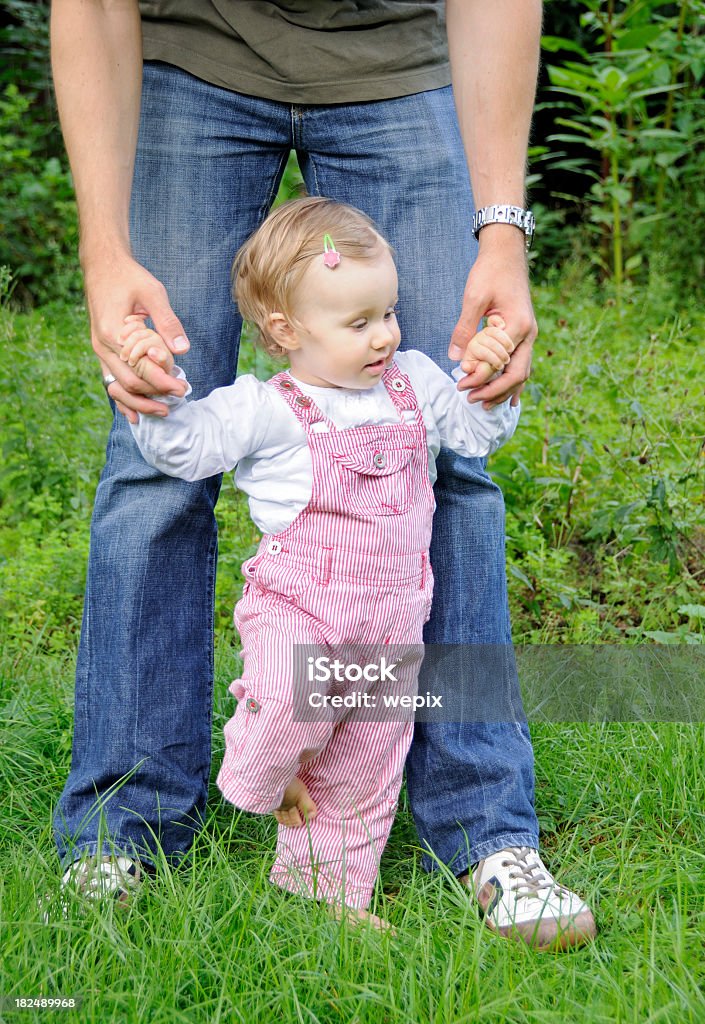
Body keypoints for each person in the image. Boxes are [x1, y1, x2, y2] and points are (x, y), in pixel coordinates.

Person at [49, 0, 597, 948]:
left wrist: (501, 231)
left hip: (399, 65)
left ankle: (485, 829)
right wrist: (105, 250)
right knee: (149, 458)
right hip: (188, 57)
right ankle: (121, 826)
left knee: (451, 463)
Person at [123, 196, 520, 927]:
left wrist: (492, 383)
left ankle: (321, 894)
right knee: (280, 700)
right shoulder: (268, 408)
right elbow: (188, 448)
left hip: (393, 620)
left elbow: (470, 433)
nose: (384, 336)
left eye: (389, 313)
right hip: (300, 606)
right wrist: (149, 400)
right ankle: (261, 776)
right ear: (285, 330)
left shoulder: (415, 381)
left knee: (365, 766)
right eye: (359, 323)